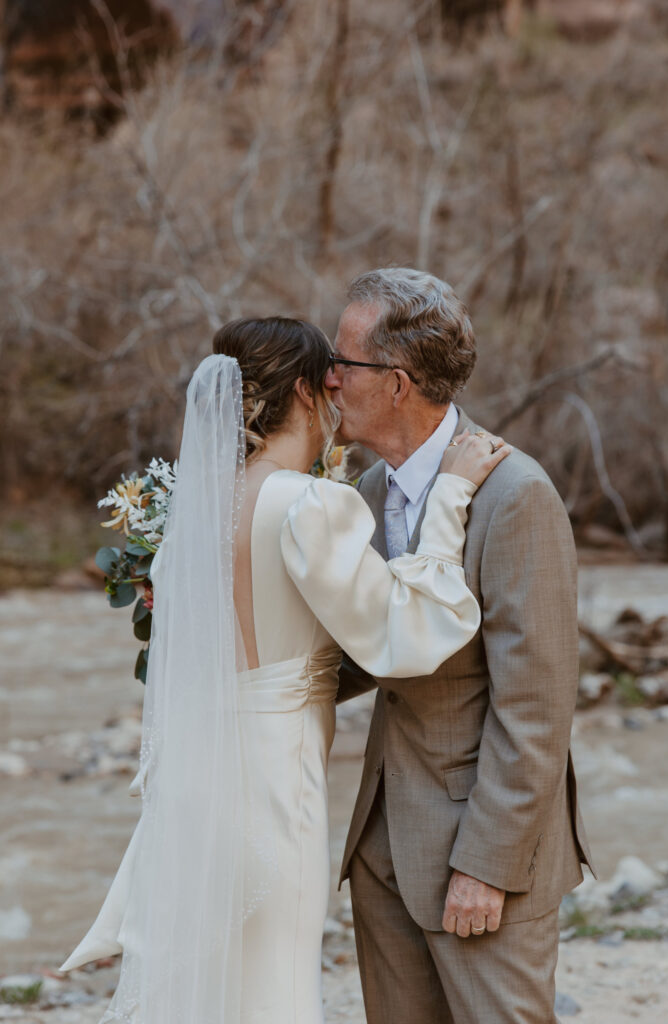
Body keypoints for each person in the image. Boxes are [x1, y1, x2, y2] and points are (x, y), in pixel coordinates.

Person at [59, 316, 510, 1024]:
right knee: (273, 983)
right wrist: (450, 495)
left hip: (198, 781)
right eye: (328, 381)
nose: (337, 394)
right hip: (274, 779)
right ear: (303, 391)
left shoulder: (190, 520)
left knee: (213, 980)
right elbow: (406, 630)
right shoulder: (307, 505)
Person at [326, 269, 595, 1024]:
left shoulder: (516, 496)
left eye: (344, 362)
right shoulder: (366, 494)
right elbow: (364, 647)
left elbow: (535, 708)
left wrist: (486, 864)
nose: (331, 378)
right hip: (381, 843)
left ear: (397, 383)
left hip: (478, 858)